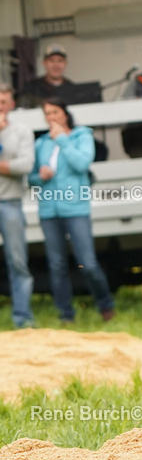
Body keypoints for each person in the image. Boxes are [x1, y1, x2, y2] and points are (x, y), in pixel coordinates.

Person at [28, 97, 115, 323]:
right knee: (57, 266)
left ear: (65, 114)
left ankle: (105, 305)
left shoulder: (81, 136)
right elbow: (30, 178)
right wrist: (39, 176)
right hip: (49, 210)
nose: (51, 117)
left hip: (76, 208)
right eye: (47, 113)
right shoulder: (41, 143)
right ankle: (66, 314)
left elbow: (82, 164)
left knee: (88, 263)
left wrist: (63, 140)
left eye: (55, 112)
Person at [0, 83, 37, 328]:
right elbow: (14, 165)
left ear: (11, 105)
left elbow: (25, 165)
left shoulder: (22, 131)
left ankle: (23, 320)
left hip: (10, 204)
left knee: (17, 263)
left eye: (3, 102)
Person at [18, 44, 77, 108]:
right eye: (52, 60)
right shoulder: (31, 88)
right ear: (44, 63)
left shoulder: (72, 89)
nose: (56, 65)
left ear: (65, 63)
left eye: (60, 61)